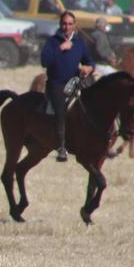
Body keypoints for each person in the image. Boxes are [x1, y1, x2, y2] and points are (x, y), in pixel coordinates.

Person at [40, 11, 96, 162]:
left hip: (75, 81)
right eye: (64, 24)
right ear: (60, 25)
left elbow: (89, 61)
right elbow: (44, 62)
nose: (67, 27)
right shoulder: (52, 42)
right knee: (61, 110)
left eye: (70, 24)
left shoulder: (79, 42)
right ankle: (61, 147)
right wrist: (60, 49)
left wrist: (89, 68)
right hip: (56, 83)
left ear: (75, 26)